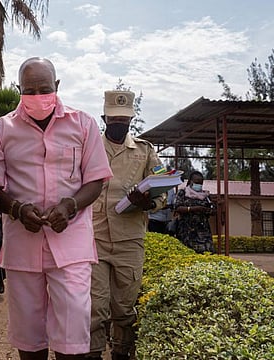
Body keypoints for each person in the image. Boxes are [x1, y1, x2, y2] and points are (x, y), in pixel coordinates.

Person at [0, 57, 113, 360]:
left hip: (71, 246)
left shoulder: (83, 124)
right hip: (22, 244)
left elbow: (96, 180)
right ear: (19, 90)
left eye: (44, 89)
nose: (37, 97)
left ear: (56, 86)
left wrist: (70, 205)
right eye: (29, 90)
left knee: (73, 337)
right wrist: (16, 209)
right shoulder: (1, 130)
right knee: (29, 337)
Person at [86, 90, 166, 360]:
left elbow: (163, 188)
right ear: (104, 118)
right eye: (114, 119)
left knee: (124, 307)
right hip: (94, 237)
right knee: (95, 307)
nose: (120, 124)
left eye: (125, 120)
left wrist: (147, 202)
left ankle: (121, 352)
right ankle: (93, 353)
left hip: (129, 240)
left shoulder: (145, 151)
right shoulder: (89, 146)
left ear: (132, 120)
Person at [173, 170, 215, 254]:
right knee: (188, 254)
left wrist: (208, 210)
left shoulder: (206, 195)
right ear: (190, 181)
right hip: (187, 231)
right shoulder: (183, 193)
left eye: (201, 183)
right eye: (196, 182)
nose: (199, 185)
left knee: (207, 254)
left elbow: (213, 210)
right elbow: (177, 208)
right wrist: (193, 209)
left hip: (203, 232)